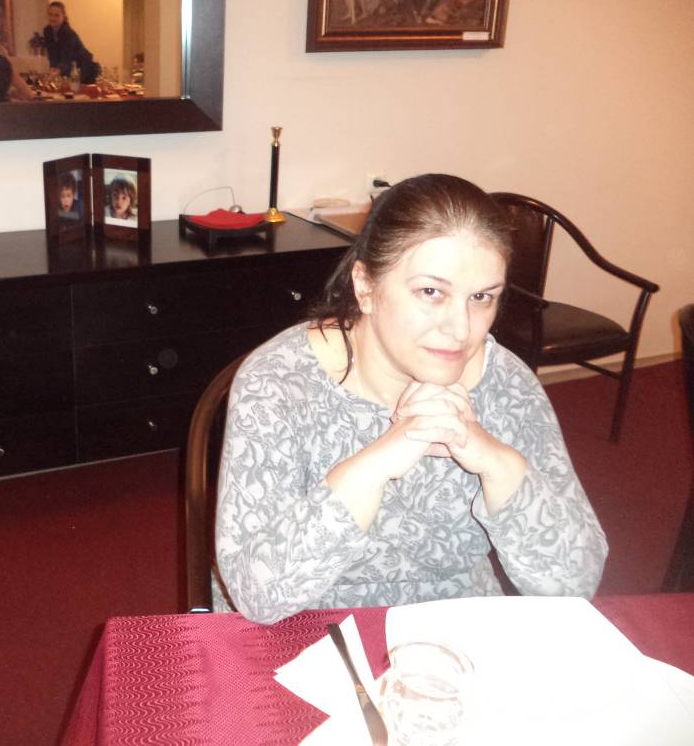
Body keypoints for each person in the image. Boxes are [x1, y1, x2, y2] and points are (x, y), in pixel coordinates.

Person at [214, 174, 607, 625]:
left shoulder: (507, 386)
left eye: (482, 297)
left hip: (454, 628)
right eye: (430, 292)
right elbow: (259, 596)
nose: (461, 329)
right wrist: (377, 462)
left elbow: (576, 584)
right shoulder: (280, 383)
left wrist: (496, 461)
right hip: (306, 628)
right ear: (366, 287)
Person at [42, 1, 101, 85]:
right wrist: (52, 71)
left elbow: (66, 58)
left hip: (84, 69)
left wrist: (55, 73)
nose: (53, 18)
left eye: (57, 15)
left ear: (64, 16)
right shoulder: (47, 31)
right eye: (50, 14)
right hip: (69, 68)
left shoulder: (68, 33)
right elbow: (52, 56)